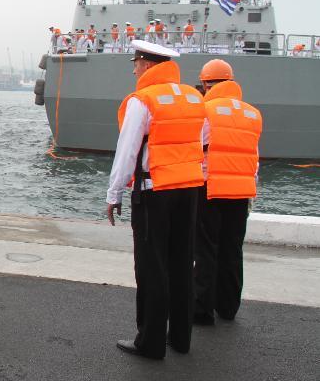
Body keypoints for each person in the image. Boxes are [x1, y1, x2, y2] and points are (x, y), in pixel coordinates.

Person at [106, 40, 206, 360]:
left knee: (153, 267)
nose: (134, 68)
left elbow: (127, 151)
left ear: (147, 65)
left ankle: (149, 342)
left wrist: (114, 193)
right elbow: (203, 139)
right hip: (190, 189)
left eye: (135, 62)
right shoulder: (194, 96)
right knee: (181, 262)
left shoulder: (143, 100)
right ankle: (180, 338)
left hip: (154, 191)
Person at [193, 59, 262, 326]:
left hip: (210, 187)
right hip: (242, 191)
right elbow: (254, 157)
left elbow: (196, 147)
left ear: (207, 83)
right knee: (232, 249)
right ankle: (229, 306)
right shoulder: (252, 113)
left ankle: (201, 309)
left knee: (206, 248)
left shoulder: (205, 110)